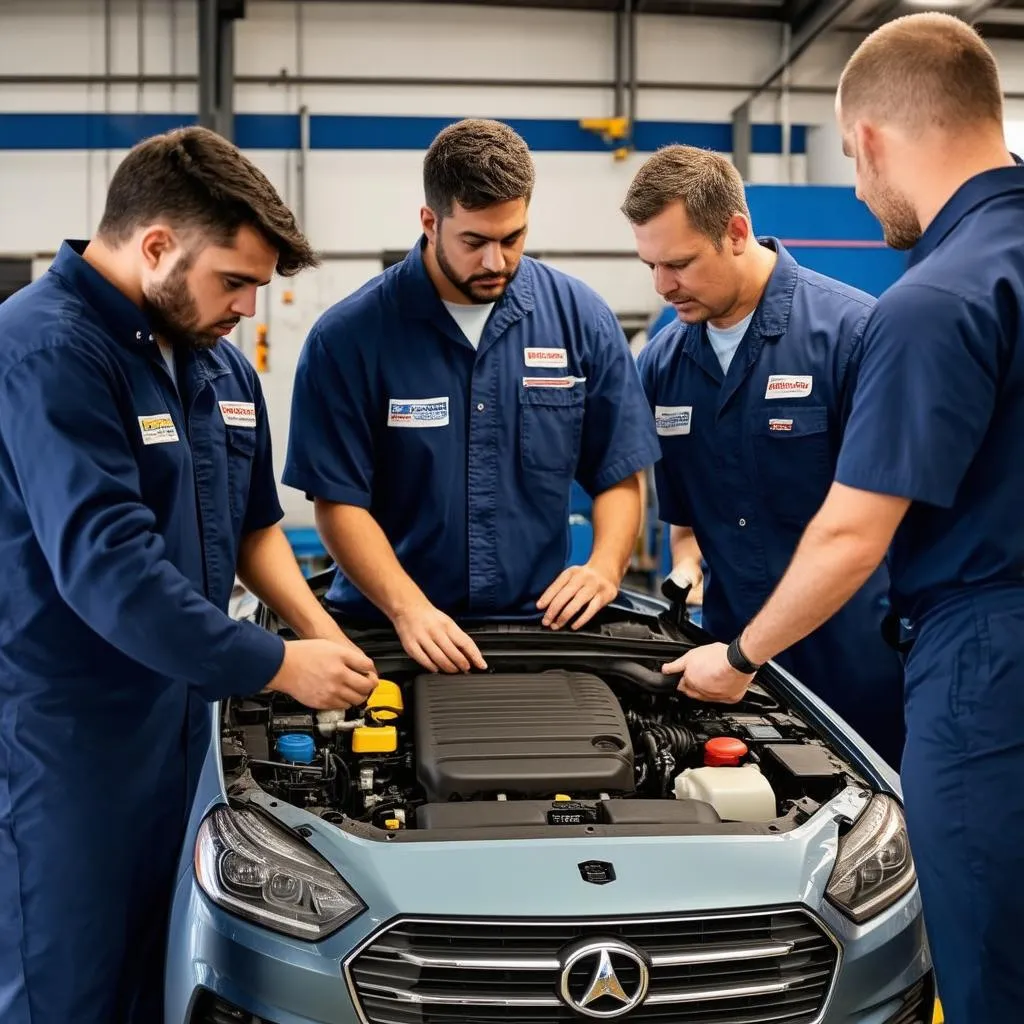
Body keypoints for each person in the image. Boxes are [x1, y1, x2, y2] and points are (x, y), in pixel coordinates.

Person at [668, 14, 1024, 1022]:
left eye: (851, 166)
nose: (861, 194)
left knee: (987, 964)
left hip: (988, 673)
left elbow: (850, 532)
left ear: (867, 139)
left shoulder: (935, 300)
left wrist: (738, 653)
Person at [0, 126, 379, 1024]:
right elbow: (111, 568)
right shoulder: (49, 351)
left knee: (173, 972)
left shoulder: (211, 360)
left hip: (192, 721)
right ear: (158, 245)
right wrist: (278, 666)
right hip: (72, 739)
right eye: (234, 281)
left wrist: (318, 631)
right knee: (70, 981)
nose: (249, 307)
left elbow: (255, 526)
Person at [284, 119, 661, 673]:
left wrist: (605, 569)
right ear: (430, 221)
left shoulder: (581, 321)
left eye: (513, 238)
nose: (496, 262)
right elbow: (338, 501)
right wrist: (409, 608)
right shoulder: (349, 338)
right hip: (389, 630)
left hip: (538, 628)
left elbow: (619, 472)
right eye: (474, 241)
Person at [625, 145, 905, 768]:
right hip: (729, 673)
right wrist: (685, 564)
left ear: (736, 232)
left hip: (858, 669)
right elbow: (688, 519)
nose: (663, 285)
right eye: (651, 265)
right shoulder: (665, 365)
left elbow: (872, 529)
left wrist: (743, 654)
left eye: (680, 263)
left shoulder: (854, 335)